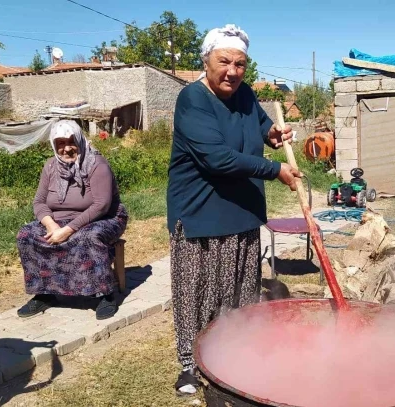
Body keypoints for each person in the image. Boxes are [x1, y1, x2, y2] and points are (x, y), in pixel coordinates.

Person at [166, 24, 300, 396]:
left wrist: (273, 136)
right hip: (200, 213)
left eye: (240, 64)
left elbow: (261, 127)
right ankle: (191, 366)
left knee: (239, 291)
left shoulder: (245, 95)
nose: (232, 71)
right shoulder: (192, 99)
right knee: (197, 293)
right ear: (206, 61)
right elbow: (217, 159)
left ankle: (235, 354)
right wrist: (276, 170)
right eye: (224, 61)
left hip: (241, 210)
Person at [16, 120, 128, 320]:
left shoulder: (96, 164)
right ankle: (45, 293)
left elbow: (101, 205)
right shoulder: (50, 166)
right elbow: (39, 202)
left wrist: (67, 230)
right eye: (60, 143)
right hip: (59, 219)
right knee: (27, 235)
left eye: (71, 142)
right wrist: (51, 225)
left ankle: (104, 294)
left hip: (104, 217)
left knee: (88, 237)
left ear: (80, 140)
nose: (66, 148)